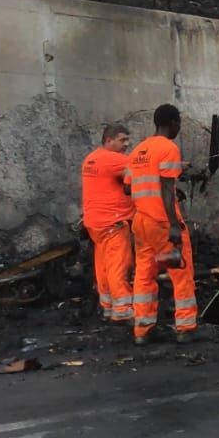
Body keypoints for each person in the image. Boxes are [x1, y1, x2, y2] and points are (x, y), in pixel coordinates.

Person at [126, 105, 199, 344]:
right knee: (181, 272)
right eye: (179, 124)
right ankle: (185, 327)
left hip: (141, 222)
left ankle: (142, 330)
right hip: (162, 223)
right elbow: (167, 189)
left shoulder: (138, 150)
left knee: (144, 274)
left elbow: (128, 186)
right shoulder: (169, 148)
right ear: (173, 122)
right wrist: (174, 225)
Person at [80, 124, 134, 323]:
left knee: (103, 266)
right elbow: (143, 171)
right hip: (113, 222)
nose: (126, 144)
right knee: (118, 266)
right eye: (122, 140)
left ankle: (108, 306)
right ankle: (123, 309)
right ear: (109, 140)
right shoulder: (115, 159)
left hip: (94, 223)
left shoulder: (91, 159)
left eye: (127, 140)